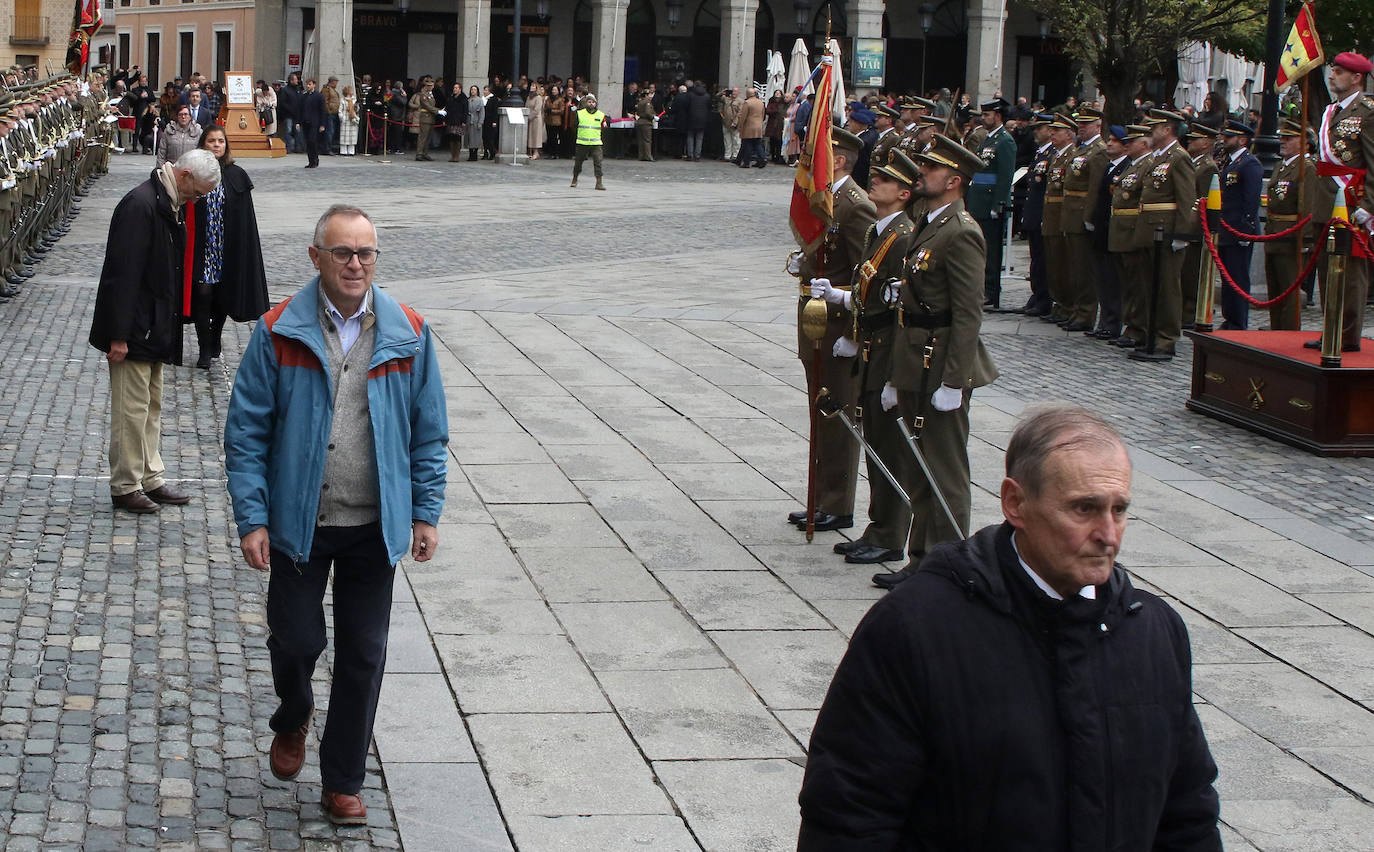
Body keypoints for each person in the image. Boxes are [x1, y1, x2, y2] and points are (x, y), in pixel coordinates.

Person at [798, 405, 1223, 850]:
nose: (1108, 534)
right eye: (1084, 509)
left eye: (1119, 510)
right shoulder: (915, 629)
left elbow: (1187, 810)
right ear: (1015, 502)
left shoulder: (1153, 631)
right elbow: (849, 815)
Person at [225, 204, 448, 826]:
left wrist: (425, 512)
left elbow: (428, 433)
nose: (356, 264)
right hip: (299, 524)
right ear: (316, 257)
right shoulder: (278, 331)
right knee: (296, 641)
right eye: (344, 253)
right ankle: (293, 714)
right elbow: (246, 433)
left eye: (367, 253)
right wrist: (253, 518)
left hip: (375, 527)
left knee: (364, 653)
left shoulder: (408, 330)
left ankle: (343, 779)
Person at [871, 134, 997, 589]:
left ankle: (948, 567)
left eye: (932, 167)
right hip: (913, 358)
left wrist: (956, 379)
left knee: (944, 469)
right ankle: (922, 560)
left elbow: (967, 313)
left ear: (954, 180)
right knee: (918, 463)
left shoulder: (961, 231)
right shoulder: (928, 222)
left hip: (940, 360)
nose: (922, 170)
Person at [89, 148, 221, 513]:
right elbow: (122, 275)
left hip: (154, 326)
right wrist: (117, 334)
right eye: (197, 192)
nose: (198, 200)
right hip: (134, 330)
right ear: (184, 176)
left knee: (151, 406)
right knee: (130, 410)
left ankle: (150, 475)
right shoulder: (141, 205)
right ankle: (125, 483)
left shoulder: (168, 201)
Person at [811, 150, 919, 565]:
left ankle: (892, 534)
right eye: (876, 177)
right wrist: (841, 297)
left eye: (885, 180)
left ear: (904, 193)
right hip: (870, 348)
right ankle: (879, 528)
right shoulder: (880, 230)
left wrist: (894, 373)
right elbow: (868, 291)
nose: (874, 182)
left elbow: (899, 308)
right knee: (876, 444)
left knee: (891, 449)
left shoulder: (904, 236)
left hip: (889, 350)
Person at [789, 127, 876, 533]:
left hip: (839, 322)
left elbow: (866, 275)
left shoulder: (855, 205)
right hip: (815, 315)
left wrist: (855, 334)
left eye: (817, 155)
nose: (808, 163)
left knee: (836, 412)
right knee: (819, 412)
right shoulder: (826, 198)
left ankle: (838, 504)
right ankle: (820, 497)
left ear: (837, 160)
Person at [1309, 51, 1374, 352]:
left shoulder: (1368, 111)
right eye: (1333, 70)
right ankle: (1330, 329)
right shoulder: (1330, 111)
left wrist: (1368, 206)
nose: (1332, 76)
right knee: (1326, 268)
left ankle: (1347, 335)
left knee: (1350, 272)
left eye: (1338, 71)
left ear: (1357, 77)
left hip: (1351, 201)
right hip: (1325, 200)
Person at [188, 127, 269, 368]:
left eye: (221, 141)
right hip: (203, 247)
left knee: (222, 296)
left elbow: (245, 219)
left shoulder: (236, 175)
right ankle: (204, 347)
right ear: (203, 145)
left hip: (226, 246)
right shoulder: (193, 173)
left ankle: (215, 336)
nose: (216, 145)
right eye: (211, 141)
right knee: (203, 293)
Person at [1128, 108, 1197, 362]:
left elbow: (1187, 199)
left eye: (1153, 127)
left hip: (1166, 231)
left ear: (1167, 129)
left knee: (1167, 288)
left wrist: (1182, 233)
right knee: (1149, 286)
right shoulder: (1157, 157)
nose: (1149, 131)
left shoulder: (1179, 158)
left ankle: (1166, 338)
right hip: (1149, 230)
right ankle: (1150, 333)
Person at [1265, 119, 1322, 330]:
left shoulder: (1306, 169)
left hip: (1291, 238)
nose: (1283, 142)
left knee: (1289, 291)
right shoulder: (1281, 166)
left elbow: (1308, 207)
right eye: (1282, 138)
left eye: (1289, 139)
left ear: (1305, 143)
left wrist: (1305, 239)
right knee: (1275, 289)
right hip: (1274, 235)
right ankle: (1276, 328)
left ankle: (1287, 332)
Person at [1110, 125, 1157, 350]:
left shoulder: (1148, 165)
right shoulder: (1134, 164)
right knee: (1127, 282)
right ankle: (1131, 325)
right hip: (1121, 228)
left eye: (1133, 141)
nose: (1127, 144)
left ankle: (1138, 328)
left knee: (1137, 283)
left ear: (1145, 144)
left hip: (1132, 229)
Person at [968, 99, 1017, 309]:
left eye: (987, 115)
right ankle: (983, 288)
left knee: (992, 251)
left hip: (990, 202)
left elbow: (1005, 175)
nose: (984, 118)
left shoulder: (1004, 141)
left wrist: (998, 203)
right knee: (981, 249)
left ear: (998, 116)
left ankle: (991, 290)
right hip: (978, 200)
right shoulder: (986, 140)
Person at [1216, 120, 1262, 330]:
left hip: (1239, 230)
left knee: (1238, 276)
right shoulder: (1232, 163)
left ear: (1242, 140)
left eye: (1229, 137)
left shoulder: (1249, 163)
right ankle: (1230, 317)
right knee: (1227, 277)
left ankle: (1238, 319)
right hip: (1227, 229)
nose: (1224, 139)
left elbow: (1251, 199)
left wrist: (1246, 230)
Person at [1085, 125, 1130, 341]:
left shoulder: (1126, 167)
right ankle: (1105, 320)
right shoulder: (1110, 166)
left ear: (1125, 147)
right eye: (1109, 139)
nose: (1109, 143)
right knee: (1103, 279)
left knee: (1113, 280)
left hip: (1115, 231)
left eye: (1115, 141)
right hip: (1102, 230)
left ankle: (1113, 322)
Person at [1179, 123, 1220, 328]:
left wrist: (1195, 227)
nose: (1189, 141)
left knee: (1192, 274)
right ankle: (1185, 310)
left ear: (1206, 143)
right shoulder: (1194, 163)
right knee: (1185, 272)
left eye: (1195, 139)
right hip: (1187, 225)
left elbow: (1202, 201)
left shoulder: (1208, 167)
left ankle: (1191, 311)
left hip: (1196, 228)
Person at [1017, 113, 1055, 316]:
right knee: (1035, 257)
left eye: (1039, 129)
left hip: (1043, 212)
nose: (1035, 133)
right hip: (1033, 211)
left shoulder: (1052, 154)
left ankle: (1044, 297)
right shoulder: (1040, 153)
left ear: (1050, 131)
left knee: (1043, 258)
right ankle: (1037, 293)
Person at [570, 92, 608, 190]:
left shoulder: (601, 115)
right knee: (578, 162)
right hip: (582, 142)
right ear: (586, 103)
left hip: (596, 143)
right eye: (589, 102)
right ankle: (575, 179)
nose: (591, 104)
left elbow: (604, 128)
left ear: (596, 103)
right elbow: (574, 126)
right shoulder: (580, 113)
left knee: (598, 162)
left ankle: (599, 182)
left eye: (593, 102)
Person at [299, 79, 328, 168]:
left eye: (310, 84)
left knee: (313, 141)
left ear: (314, 85)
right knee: (308, 142)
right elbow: (300, 110)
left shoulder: (319, 96)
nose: (308, 86)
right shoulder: (304, 96)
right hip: (305, 122)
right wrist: (298, 122)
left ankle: (315, 159)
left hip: (315, 123)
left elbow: (323, 111)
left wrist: (323, 124)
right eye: (307, 84)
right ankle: (310, 161)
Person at [737, 87, 766, 168]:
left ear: (748, 94)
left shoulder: (747, 103)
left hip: (749, 126)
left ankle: (746, 162)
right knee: (758, 144)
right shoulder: (761, 103)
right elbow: (763, 114)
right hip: (758, 125)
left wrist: (740, 126)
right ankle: (763, 159)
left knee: (748, 144)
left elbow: (743, 116)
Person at [410, 76, 437, 161]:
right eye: (430, 85)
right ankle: (419, 153)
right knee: (423, 137)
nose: (432, 87)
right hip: (425, 117)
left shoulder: (430, 94)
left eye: (432, 85)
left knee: (428, 137)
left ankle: (425, 153)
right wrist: (438, 111)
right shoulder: (423, 95)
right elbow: (427, 106)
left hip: (431, 118)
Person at [443, 83, 468, 161]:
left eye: (456, 88)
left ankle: (456, 156)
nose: (455, 89)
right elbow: (447, 109)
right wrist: (445, 119)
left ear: (460, 89)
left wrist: (464, 120)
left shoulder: (463, 98)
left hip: (459, 120)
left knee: (457, 138)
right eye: (454, 88)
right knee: (451, 138)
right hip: (450, 120)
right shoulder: (450, 97)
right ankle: (452, 155)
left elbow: (465, 110)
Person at [544, 86, 566, 159]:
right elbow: (545, 107)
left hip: (556, 121)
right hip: (548, 120)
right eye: (553, 90)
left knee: (555, 138)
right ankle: (550, 153)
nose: (554, 91)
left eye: (555, 90)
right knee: (549, 137)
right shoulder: (548, 99)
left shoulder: (560, 100)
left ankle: (555, 153)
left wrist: (552, 111)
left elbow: (562, 111)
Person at [465, 85, 485, 161]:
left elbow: (482, 112)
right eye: (472, 89)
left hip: (476, 120)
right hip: (469, 121)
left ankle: (475, 154)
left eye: (474, 90)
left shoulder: (479, 100)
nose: (473, 91)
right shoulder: (468, 100)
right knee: (469, 138)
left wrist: (480, 122)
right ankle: (470, 154)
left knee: (476, 138)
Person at [338, 85, 359, 156]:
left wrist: (355, 107)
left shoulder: (354, 100)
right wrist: (342, 117)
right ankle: (343, 151)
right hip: (345, 119)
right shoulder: (342, 100)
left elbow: (357, 109)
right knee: (344, 135)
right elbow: (340, 110)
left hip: (352, 119)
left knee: (352, 135)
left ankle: (351, 151)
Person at [526, 83, 546, 160]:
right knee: (530, 135)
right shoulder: (528, 97)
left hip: (536, 119)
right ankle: (530, 152)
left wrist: (530, 117)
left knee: (536, 136)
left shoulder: (538, 98)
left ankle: (536, 152)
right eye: (531, 86)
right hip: (529, 118)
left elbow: (537, 109)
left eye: (534, 86)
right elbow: (526, 106)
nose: (532, 87)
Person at [322, 77, 341, 155]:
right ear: (332, 82)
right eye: (336, 82)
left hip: (334, 113)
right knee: (329, 131)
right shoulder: (327, 89)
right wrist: (328, 111)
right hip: (329, 114)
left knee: (332, 131)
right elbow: (325, 101)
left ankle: (330, 147)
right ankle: (327, 148)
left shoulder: (333, 90)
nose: (336, 84)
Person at [635, 89, 655, 161]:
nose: (651, 96)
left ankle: (641, 156)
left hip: (640, 122)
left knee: (641, 140)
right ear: (646, 95)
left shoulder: (640, 102)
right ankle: (648, 156)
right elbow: (648, 112)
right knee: (647, 140)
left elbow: (638, 112)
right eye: (650, 94)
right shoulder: (647, 102)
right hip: (646, 123)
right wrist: (653, 117)